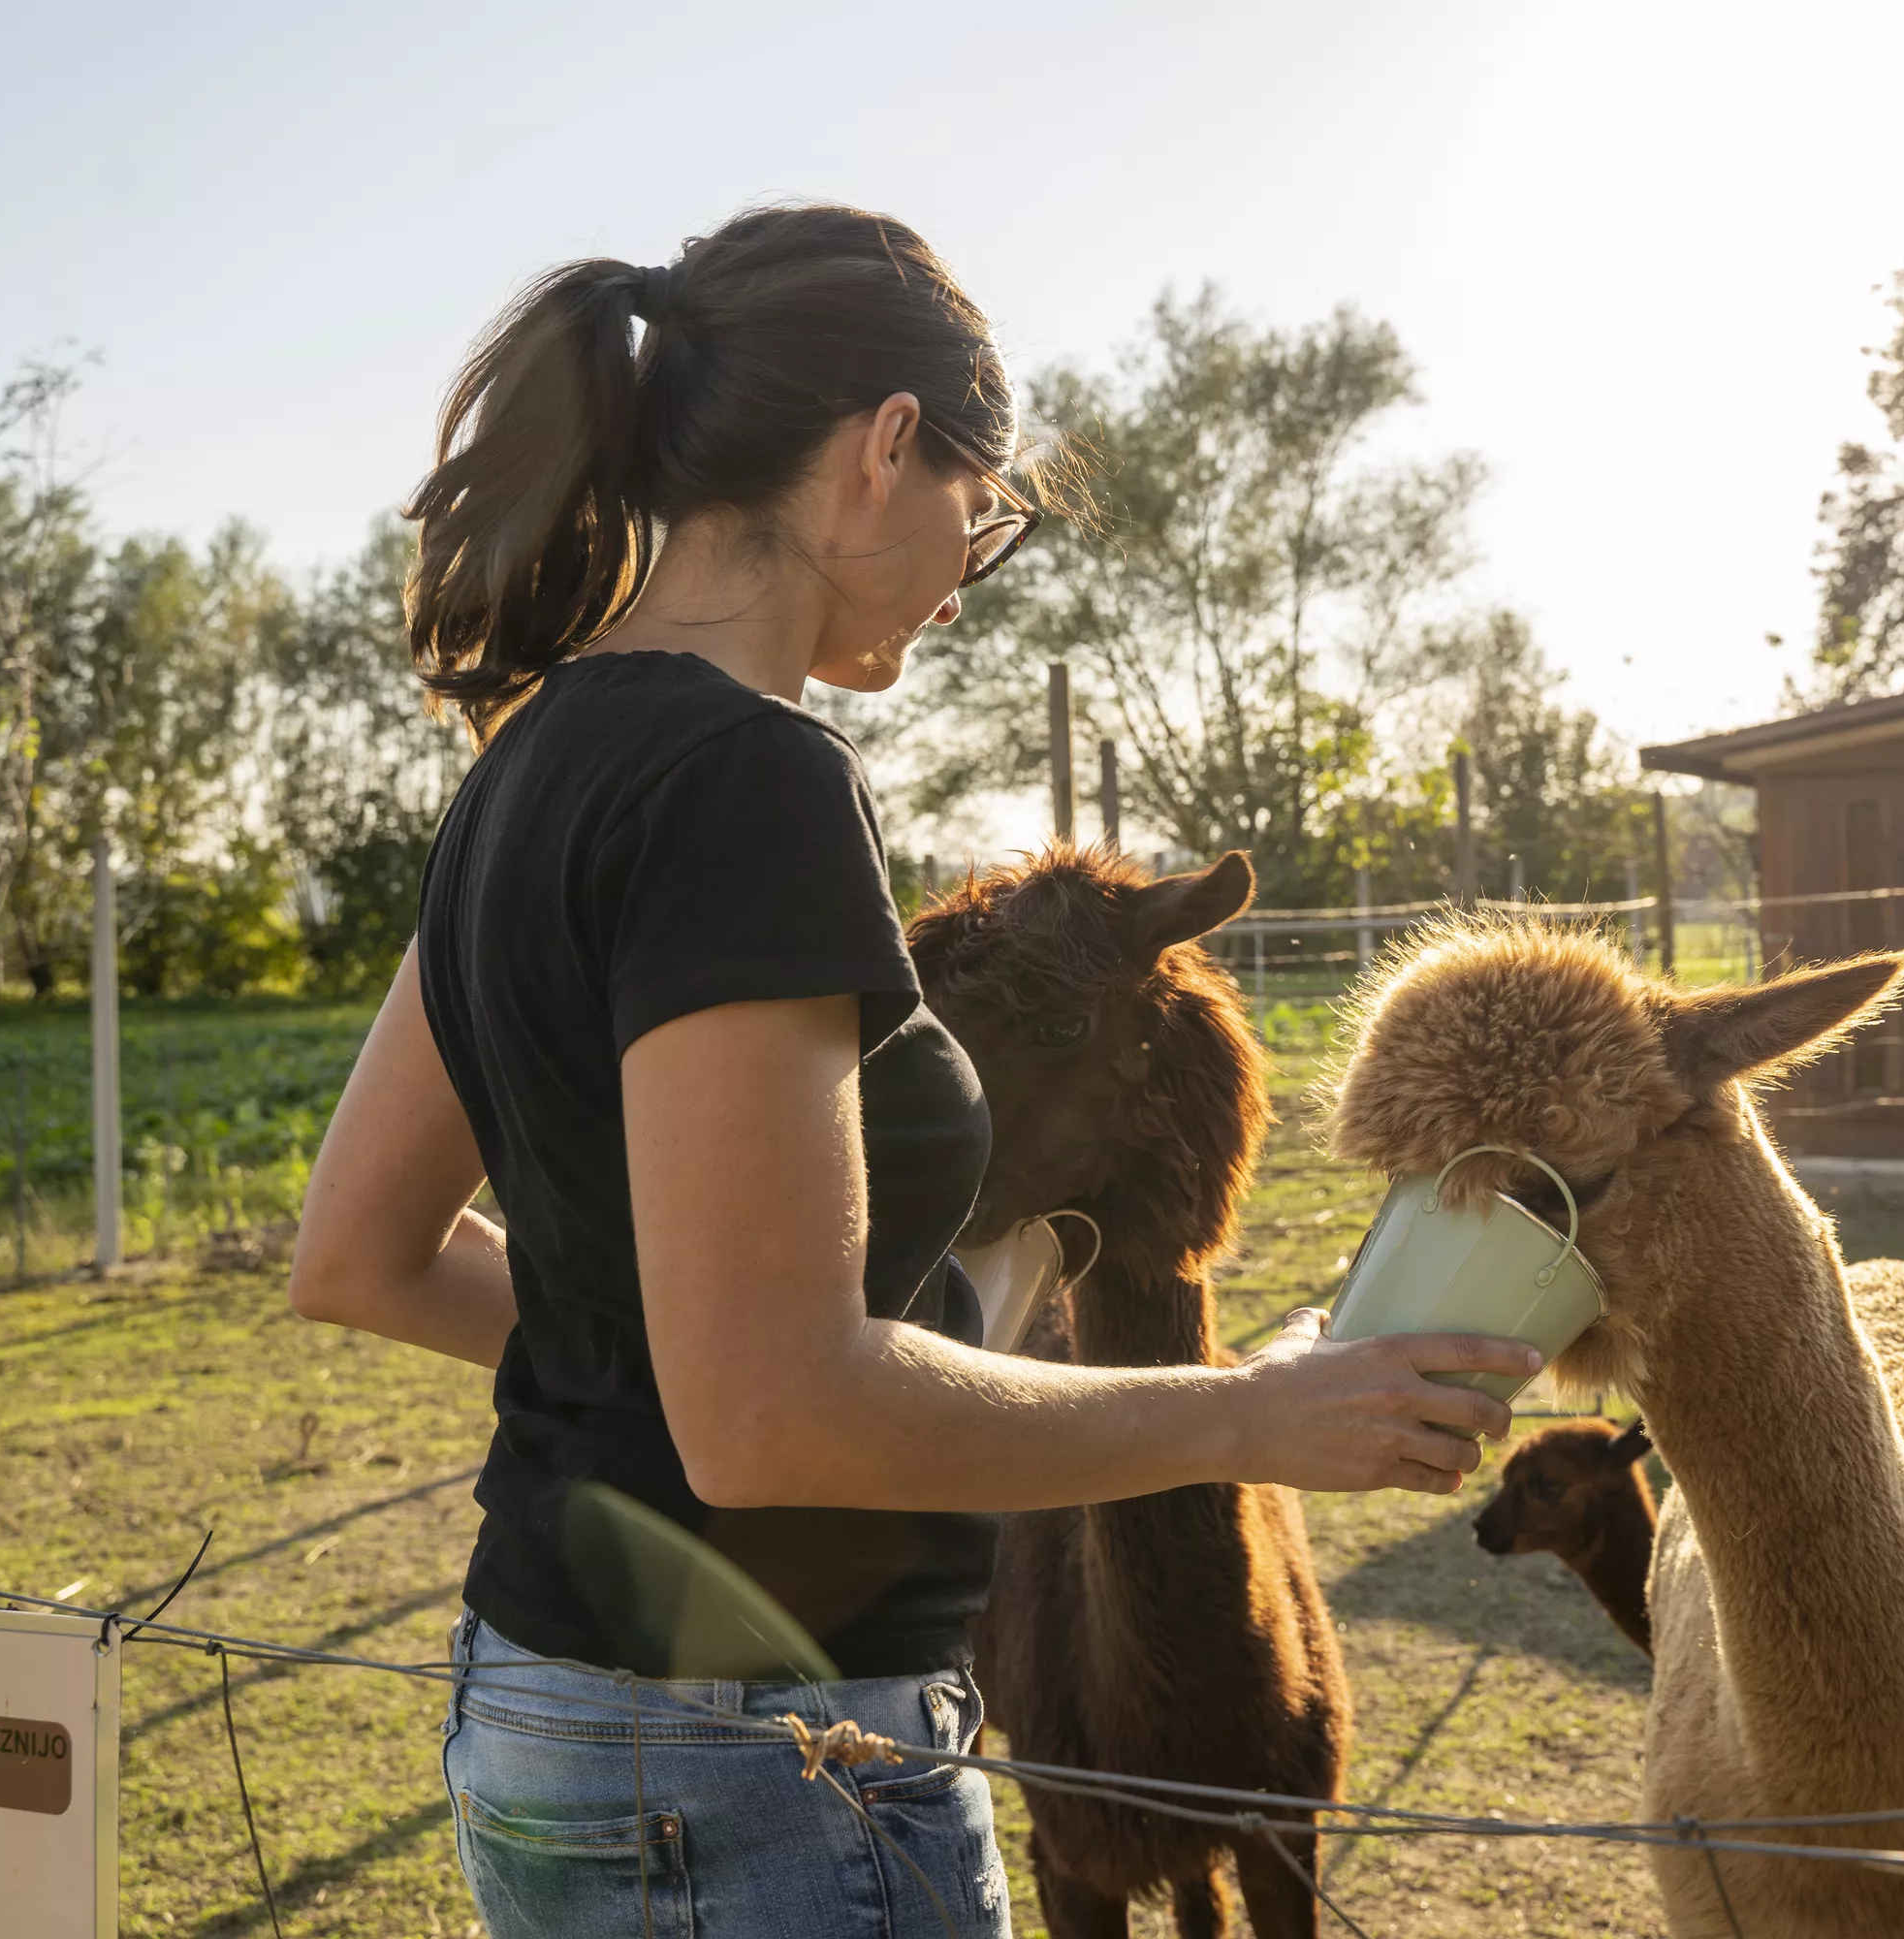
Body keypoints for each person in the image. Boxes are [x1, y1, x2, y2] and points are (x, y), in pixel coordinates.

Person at [289, 204, 1533, 1939]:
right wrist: (1252, 1416)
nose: (974, 559)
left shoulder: (526, 764)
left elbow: (355, 1251)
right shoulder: (753, 780)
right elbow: (776, 1413)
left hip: (544, 1714)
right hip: (763, 1762)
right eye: (987, 505)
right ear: (886, 449)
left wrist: (686, 1360)